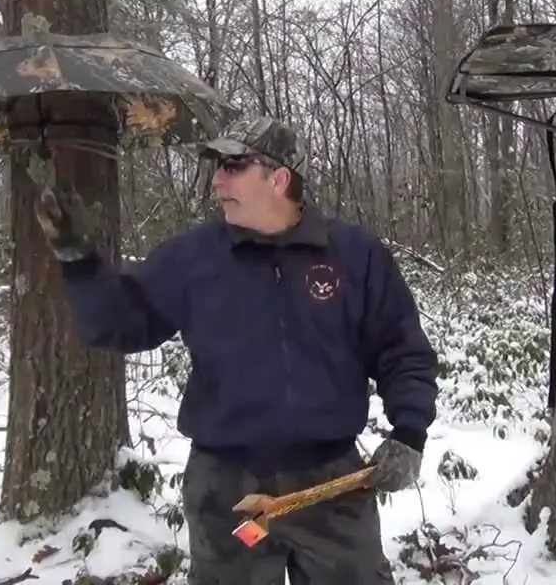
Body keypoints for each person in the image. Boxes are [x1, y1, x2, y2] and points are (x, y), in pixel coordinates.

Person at [34, 115, 440, 584]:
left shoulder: (352, 254)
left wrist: (410, 432)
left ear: (279, 178)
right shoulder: (194, 258)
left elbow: (401, 348)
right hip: (228, 490)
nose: (217, 179)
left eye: (234, 165)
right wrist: (79, 262)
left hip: (329, 485)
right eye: (217, 166)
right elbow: (120, 325)